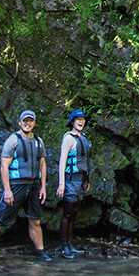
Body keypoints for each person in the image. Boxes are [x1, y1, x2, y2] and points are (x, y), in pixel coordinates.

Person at [0, 109, 52, 265]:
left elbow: (42, 164)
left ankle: (41, 252)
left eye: (30, 121)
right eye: (25, 121)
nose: (27, 123)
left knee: (35, 220)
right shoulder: (13, 140)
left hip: (33, 186)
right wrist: (8, 190)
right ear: (19, 122)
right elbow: (4, 167)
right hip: (16, 185)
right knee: (0, 220)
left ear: (34, 123)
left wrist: (43, 186)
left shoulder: (38, 141)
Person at [56, 109, 92, 259]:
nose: (80, 121)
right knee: (68, 212)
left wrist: (88, 180)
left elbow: (86, 161)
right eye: (77, 119)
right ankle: (64, 245)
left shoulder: (83, 138)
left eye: (82, 119)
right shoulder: (69, 139)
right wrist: (61, 184)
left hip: (81, 180)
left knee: (75, 213)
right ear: (72, 122)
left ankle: (70, 243)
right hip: (71, 180)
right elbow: (62, 162)